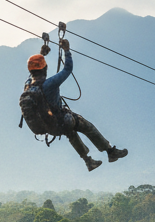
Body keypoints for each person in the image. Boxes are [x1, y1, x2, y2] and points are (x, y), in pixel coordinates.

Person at [23, 39, 128, 171]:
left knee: (70, 132)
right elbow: (68, 69)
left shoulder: (28, 87)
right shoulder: (50, 84)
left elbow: (31, 74)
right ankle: (110, 152)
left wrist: (41, 54)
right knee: (85, 126)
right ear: (45, 68)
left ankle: (88, 161)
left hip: (49, 127)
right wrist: (67, 51)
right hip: (60, 121)